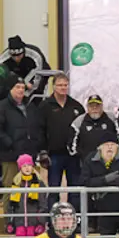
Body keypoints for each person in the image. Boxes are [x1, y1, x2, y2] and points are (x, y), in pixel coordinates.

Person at [38, 72, 85, 210]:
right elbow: (39, 130)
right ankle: (52, 221)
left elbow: (82, 130)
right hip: (54, 155)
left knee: (75, 189)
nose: (63, 88)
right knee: (53, 189)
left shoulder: (76, 106)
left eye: (65, 85)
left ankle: (75, 220)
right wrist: (42, 151)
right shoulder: (45, 106)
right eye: (60, 85)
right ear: (54, 87)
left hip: (73, 156)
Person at [0, 75, 41, 209]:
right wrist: (10, 143)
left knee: (31, 189)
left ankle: (28, 223)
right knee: (10, 188)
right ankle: (8, 224)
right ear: (10, 89)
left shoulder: (31, 106)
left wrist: (36, 145)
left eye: (23, 87)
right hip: (10, 155)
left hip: (29, 155)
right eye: (17, 87)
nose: (20, 90)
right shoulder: (3, 107)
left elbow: (37, 127)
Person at [6, 154, 47, 238]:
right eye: (24, 166)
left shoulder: (39, 183)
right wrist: (10, 222)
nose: (27, 168)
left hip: (34, 222)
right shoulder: (16, 183)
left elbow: (43, 205)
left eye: (29, 165)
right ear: (20, 168)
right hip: (19, 222)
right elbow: (11, 206)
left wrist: (41, 222)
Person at [68, 94, 119, 160]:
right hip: (87, 163)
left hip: (109, 161)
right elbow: (71, 144)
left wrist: (118, 154)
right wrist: (82, 155)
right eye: (91, 106)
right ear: (87, 107)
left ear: (102, 106)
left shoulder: (111, 118)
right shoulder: (79, 121)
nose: (94, 108)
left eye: (97, 105)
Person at [0, 35, 51, 104]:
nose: (16, 59)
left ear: (23, 52)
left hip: (37, 73)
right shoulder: (4, 57)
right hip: (17, 75)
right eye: (13, 57)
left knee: (33, 100)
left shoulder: (35, 55)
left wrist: (25, 94)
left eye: (19, 56)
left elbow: (38, 79)